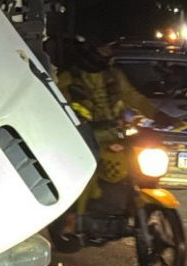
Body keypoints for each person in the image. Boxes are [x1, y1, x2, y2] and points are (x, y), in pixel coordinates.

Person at [57, 37, 176, 231]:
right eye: (104, 49)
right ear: (89, 49)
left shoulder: (114, 75)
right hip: (83, 138)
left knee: (135, 167)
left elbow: (133, 97)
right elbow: (59, 108)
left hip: (115, 135)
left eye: (109, 49)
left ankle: (128, 210)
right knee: (87, 174)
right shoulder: (67, 79)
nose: (108, 53)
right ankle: (73, 218)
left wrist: (158, 115)